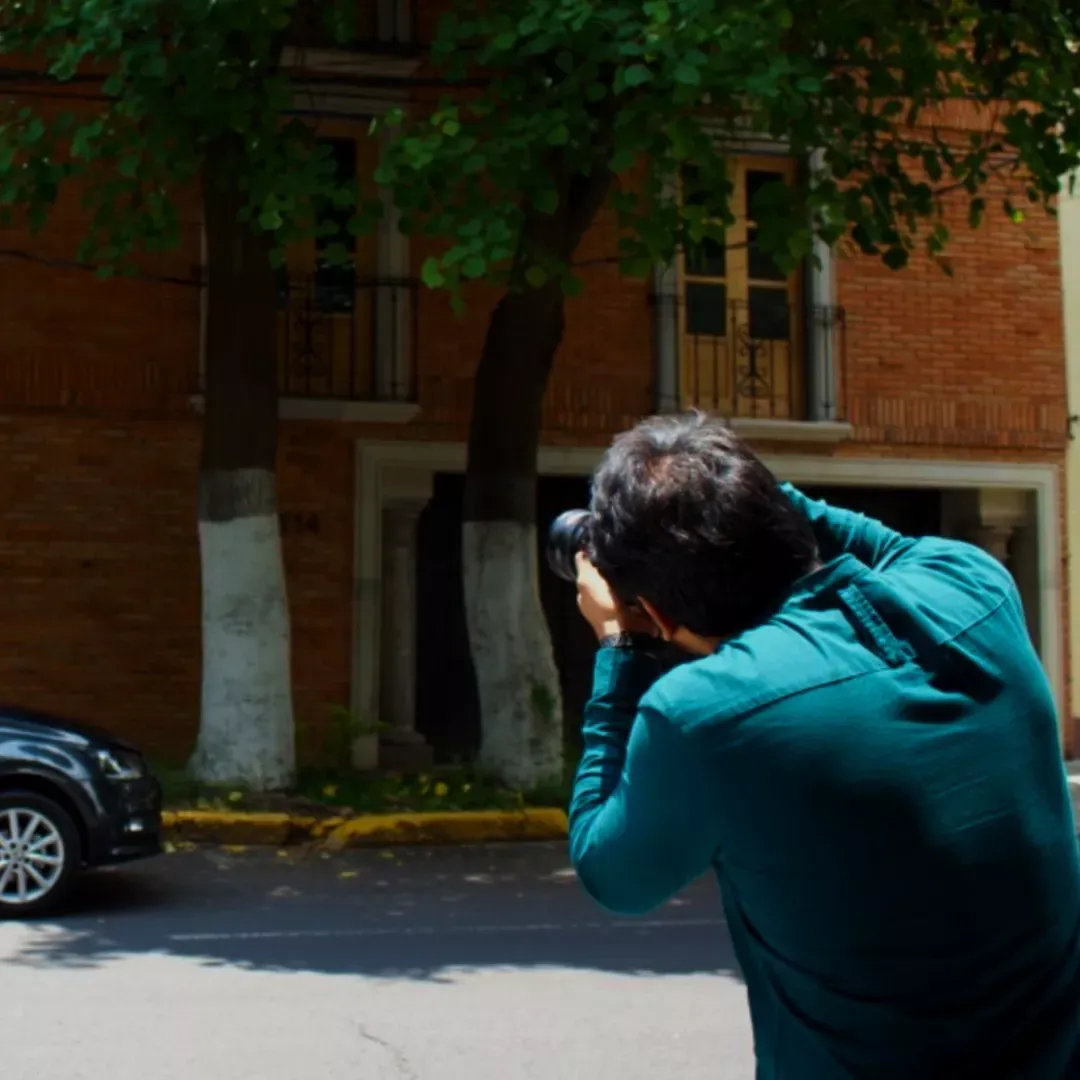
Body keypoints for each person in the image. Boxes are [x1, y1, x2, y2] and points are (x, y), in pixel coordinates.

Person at [568, 410, 1080, 1079]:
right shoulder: (973, 585)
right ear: (775, 518)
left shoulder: (706, 713)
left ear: (660, 615)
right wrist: (729, 491)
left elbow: (614, 875)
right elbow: (860, 540)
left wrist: (619, 647)